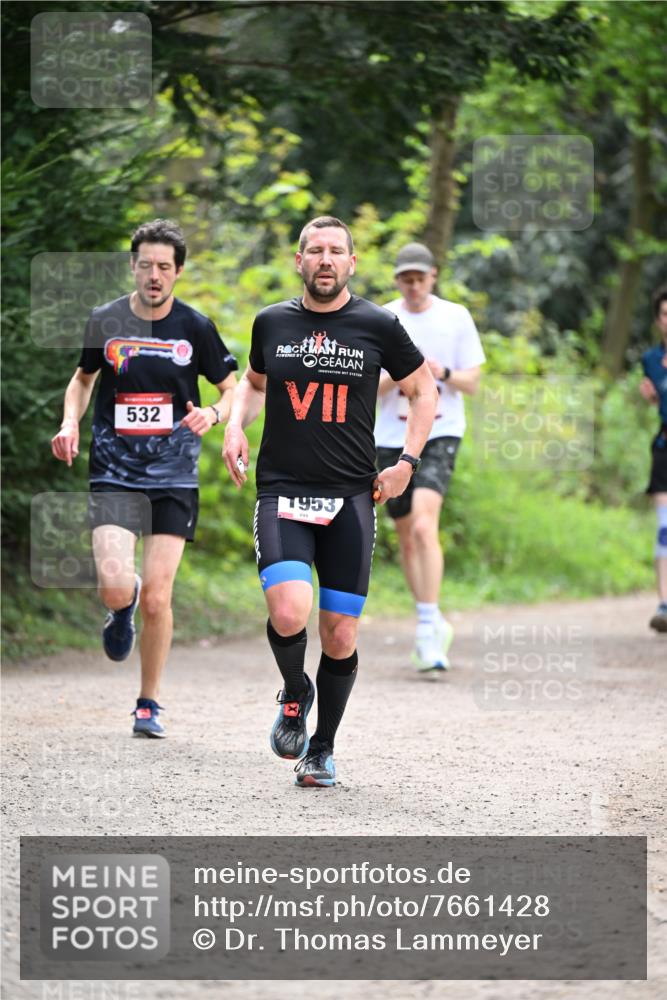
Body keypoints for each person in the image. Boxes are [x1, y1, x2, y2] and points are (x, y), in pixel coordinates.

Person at [223, 216, 438, 787]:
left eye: (335, 251)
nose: (324, 259)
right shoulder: (271, 322)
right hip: (282, 492)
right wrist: (234, 427)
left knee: (340, 633)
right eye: (314, 250)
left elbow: (424, 391)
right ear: (299, 261)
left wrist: (406, 465)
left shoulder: (378, 324)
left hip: (351, 498)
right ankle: (296, 692)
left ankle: (321, 749)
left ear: (351, 263)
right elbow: (253, 382)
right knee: (290, 612)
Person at [51, 219, 238, 736]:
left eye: (164, 266)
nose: (154, 275)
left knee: (161, 595)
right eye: (145, 265)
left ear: (178, 271)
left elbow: (232, 388)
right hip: (113, 469)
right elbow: (82, 379)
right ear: (132, 266)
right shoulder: (105, 320)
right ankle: (120, 606)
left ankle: (148, 702)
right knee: (117, 586)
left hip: (174, 474)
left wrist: (216, 415)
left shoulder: (195, 327)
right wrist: (70, 421)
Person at [375, 242, 485, 673]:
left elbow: (473, 382)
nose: (414, 285)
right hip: (391, 433)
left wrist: (440, 375)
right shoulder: (382, 317)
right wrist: (406, 376)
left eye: (421, 277)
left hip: (441, 430)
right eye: (407, 278)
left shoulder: (455, 316)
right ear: (397, 280)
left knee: (424, 524)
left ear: (434, 276)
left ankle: (426, 628)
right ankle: (429, 616)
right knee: (404, 533)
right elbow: (367, 385)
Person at [639, 284, 667, 633]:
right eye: (664, 315)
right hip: (664, 448)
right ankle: (664, 605)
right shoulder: (649, 359)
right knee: (664, 529)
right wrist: (651, 399)